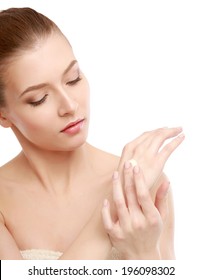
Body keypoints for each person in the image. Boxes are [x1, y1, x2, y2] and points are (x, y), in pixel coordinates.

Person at [0, 7, 184, 260]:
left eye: (73, 79)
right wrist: (114, 204)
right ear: (3, 115)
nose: (70, 106)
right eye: (39, 98)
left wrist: (144, 253)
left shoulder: (147, 183)